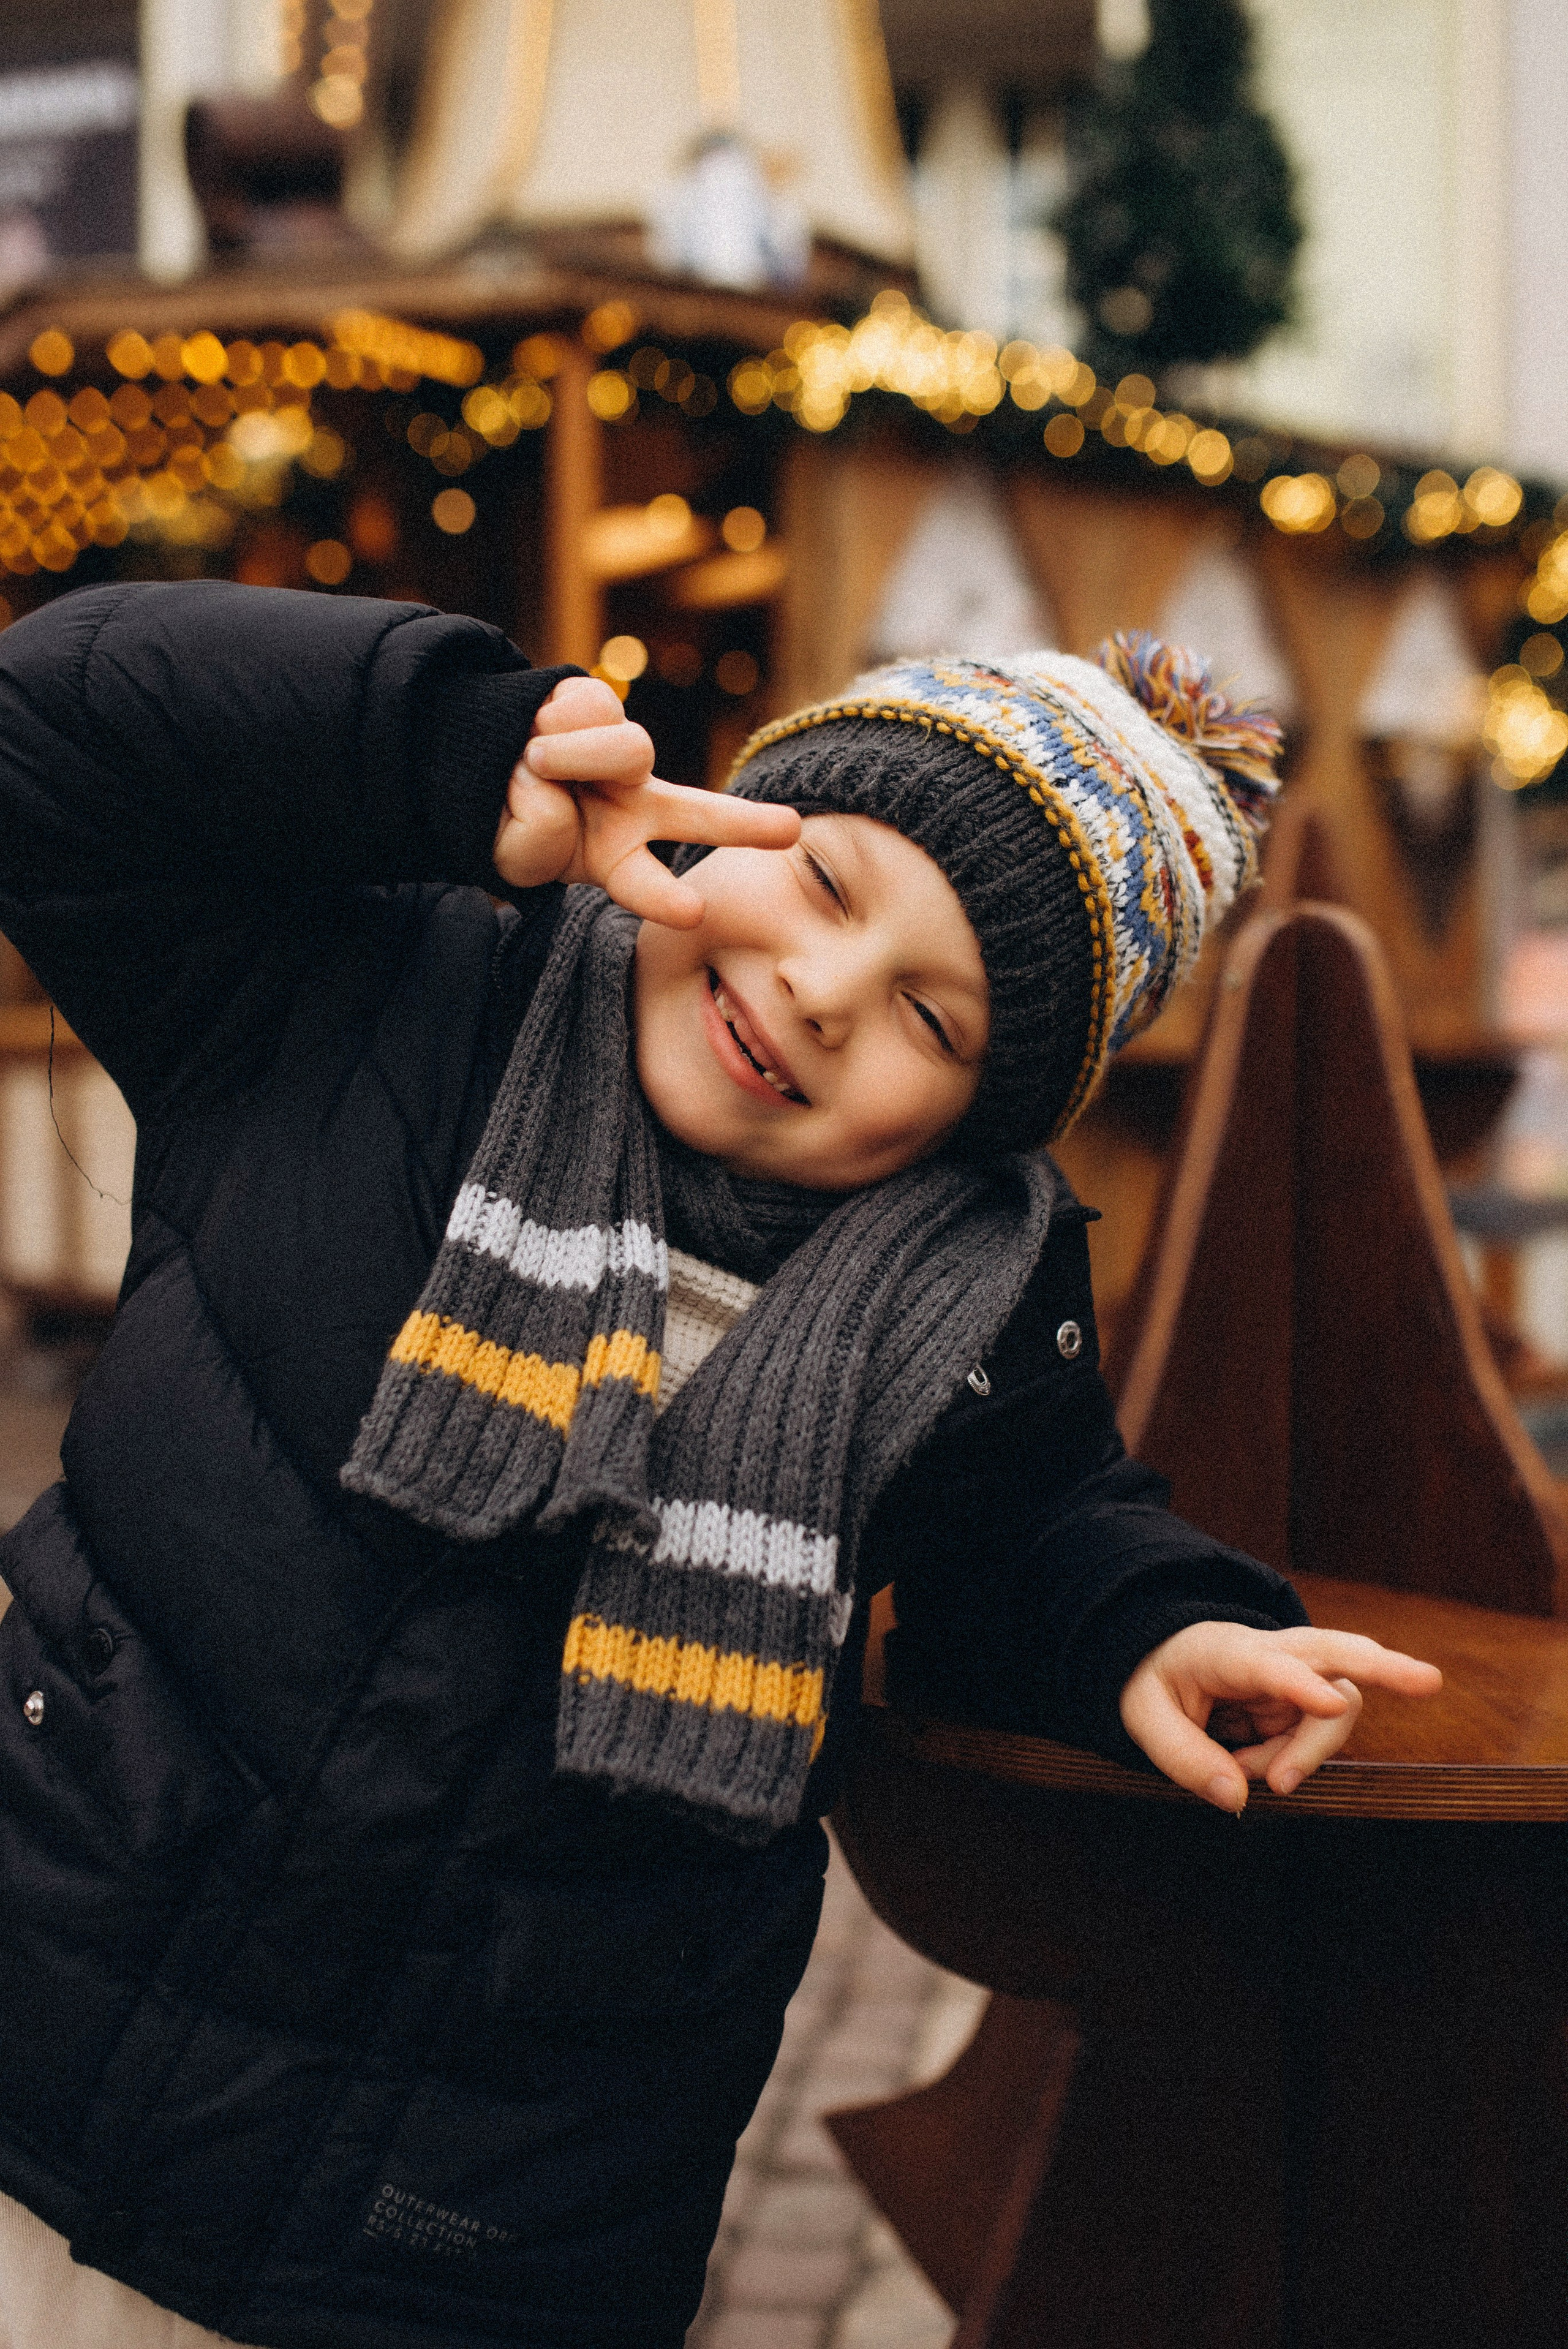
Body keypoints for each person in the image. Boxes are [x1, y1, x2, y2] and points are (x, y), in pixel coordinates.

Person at [0, 584, 1438, 2349]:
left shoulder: (972, 1296)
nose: (822, 993)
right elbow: (48, 730)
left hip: (483, 2199)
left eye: (935, 1021)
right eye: (825, 881)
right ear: (732, 811)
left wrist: (1147, 1625)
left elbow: (1035, 1531)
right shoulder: (376, 999)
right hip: (55, 1993)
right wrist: (438, 747)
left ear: (979, 1121)